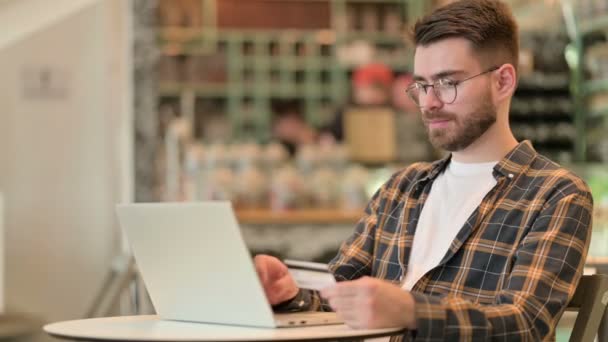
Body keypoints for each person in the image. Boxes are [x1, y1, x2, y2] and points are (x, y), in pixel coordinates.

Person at [254, 1, 594, 340]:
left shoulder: (555, 194)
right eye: (421, 85)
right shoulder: (402, 187)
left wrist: (411, 311)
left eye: (448, 83)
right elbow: (338, 294)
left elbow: (524, 323)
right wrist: (292, 295)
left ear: (503, 81)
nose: (429, 102)